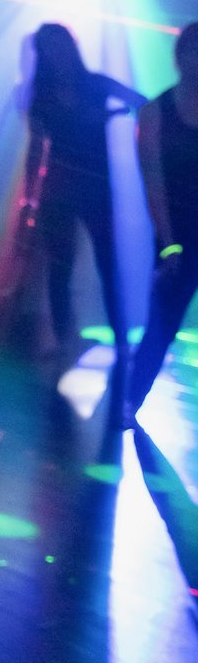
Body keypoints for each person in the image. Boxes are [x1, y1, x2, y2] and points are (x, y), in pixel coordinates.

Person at [23, 22, 144, 364]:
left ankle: (121, 341)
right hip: (60, 191)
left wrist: (114, 114)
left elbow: (144, 105)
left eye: (57, 44)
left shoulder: (95, 84)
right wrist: (30, 197)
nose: (53, 52)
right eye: (47, 47)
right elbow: (36, 147)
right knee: (60, 270)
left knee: (108, 266)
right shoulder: (44, 95)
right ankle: (66, 341)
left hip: (93, 188)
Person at [127, 22, 198, 417]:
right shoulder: (156, 112)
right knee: (164, 322)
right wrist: (168, 241)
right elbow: (152, 181)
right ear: (181, 58)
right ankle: (131, 400)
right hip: (179, 230)